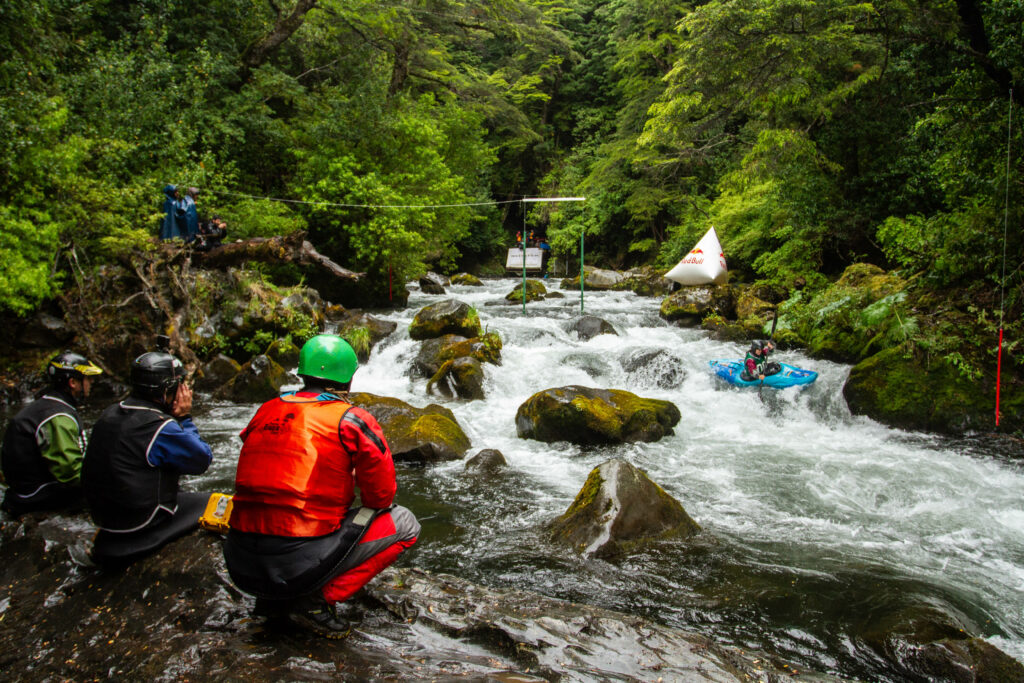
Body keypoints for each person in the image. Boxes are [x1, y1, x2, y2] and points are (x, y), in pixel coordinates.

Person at [223, 334, 419, 638]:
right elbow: (381, 496)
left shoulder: (266, 410)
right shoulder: (352, 419)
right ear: (348, 379)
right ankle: (312, 600)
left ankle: (274, 599)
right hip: (296, 563)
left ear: (302, 373)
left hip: (241, 564)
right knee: (404, 523)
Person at [82, 349, 213, 567]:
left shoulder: (110, 413)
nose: (184, 389)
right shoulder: (160, 427)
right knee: (214, 502)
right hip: (142, 525)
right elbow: (201, 459)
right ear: (166, 389)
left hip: (108, 522)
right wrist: (184, 417)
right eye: (179, 384)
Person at [1, 352, 103, 516]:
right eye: (88, 379)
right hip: (35, 497)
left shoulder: (46, 405)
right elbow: (70, 473)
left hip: (24, 492)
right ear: (73, 382)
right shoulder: (58, 417)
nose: (91, 383)